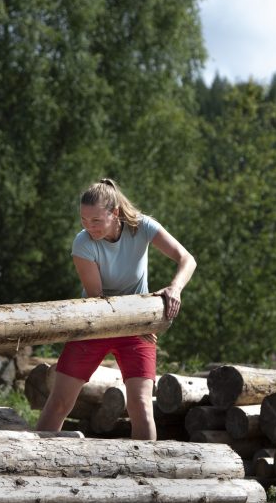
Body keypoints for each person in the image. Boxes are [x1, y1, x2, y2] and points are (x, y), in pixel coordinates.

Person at [36, 177, 196, 440]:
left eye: (96, 221)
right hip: (95, 323)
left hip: (137, 327)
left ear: (116, 213)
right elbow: (98, 298)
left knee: (141, 406)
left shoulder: (143, 226)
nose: (89, 227)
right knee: (60, 402)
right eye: (84, 220)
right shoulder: (83, 243)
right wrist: (136, 319)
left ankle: (146, 473)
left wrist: (174, 288)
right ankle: (33, 462)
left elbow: (187, 259)